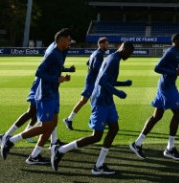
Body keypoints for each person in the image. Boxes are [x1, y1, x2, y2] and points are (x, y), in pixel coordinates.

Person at [51, 42, 134, 175]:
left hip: (107, 100)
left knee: (114, 129)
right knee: (96, 136)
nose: (129, 56)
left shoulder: (114, 58)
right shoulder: (113, 60)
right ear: (123, 49)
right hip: (101, 100)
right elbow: (102, 82)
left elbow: (106, 80)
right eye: (129, 53)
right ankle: (61, 150)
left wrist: (123, 83)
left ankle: (99, 165)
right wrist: (118, 92)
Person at [0, 28, 74, 165]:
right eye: (68, 40)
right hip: (45, 93)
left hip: (53, 92)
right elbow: (39, 72)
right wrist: (56, 79)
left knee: (52, 125)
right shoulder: (53, 52)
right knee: (45, 125)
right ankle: (10, 140)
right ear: (62, 40)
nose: (70, 42)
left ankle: (35, 156)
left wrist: (64, 76)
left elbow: (56, 68)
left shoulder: (62, 51)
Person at [130, 33, 179, 161]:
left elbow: (172, 69)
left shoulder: (176, 52)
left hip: (166, 85)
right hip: (167, 87)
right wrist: (175, 71)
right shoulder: (171, 52)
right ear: (176, 41)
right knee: (178, 114)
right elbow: (157, 68)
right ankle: (170, 148)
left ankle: (137, 143)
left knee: (157, 116)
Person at [63, 37, 110, 130]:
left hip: (91, 79)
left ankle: (96, 120)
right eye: (106, 44)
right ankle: (69, 119)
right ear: (101, 44)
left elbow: (87, 63)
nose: (108, 46)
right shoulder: (99, 54)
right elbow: (97, 69)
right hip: (92, 80)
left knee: (96, 100)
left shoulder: (95, 53)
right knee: (83, 100)